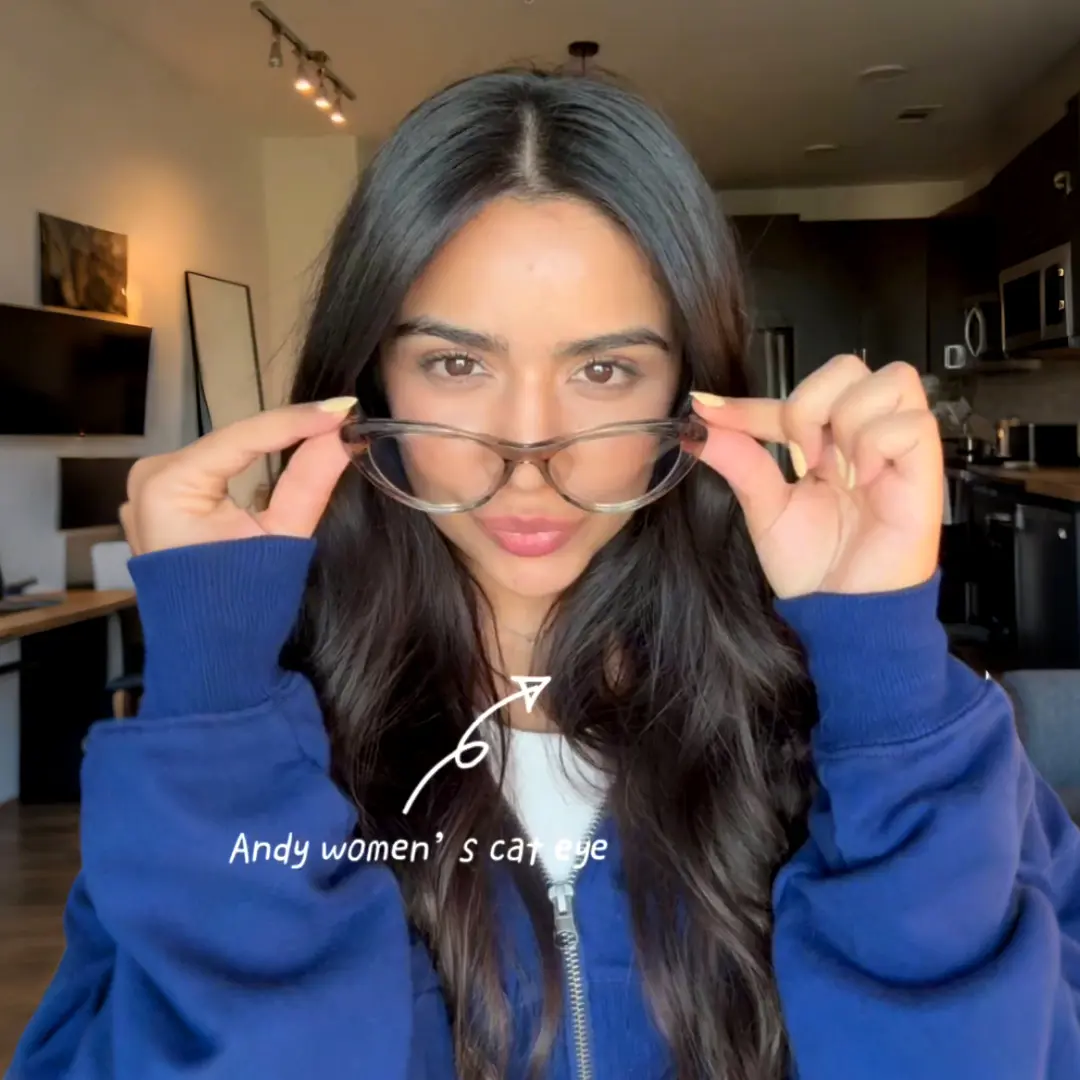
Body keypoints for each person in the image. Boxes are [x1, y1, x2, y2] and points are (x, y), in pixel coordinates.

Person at [11, 68, 1080, 1080]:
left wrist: (885, 671)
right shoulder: (234, 755)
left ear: (691, 397)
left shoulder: (897, 736)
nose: (529, 455)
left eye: (604, 369)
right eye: (456, 364)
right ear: (365, 382)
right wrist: (213, 715)